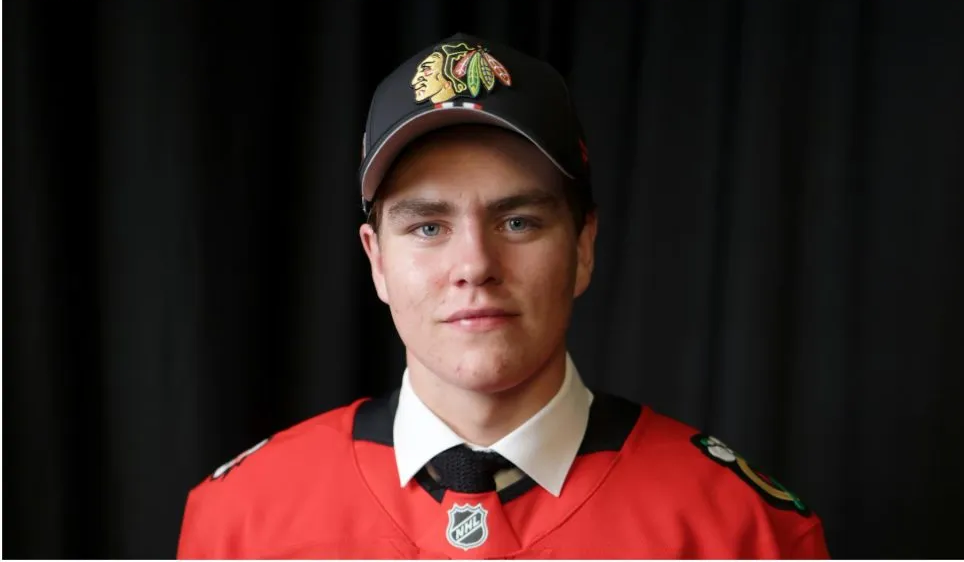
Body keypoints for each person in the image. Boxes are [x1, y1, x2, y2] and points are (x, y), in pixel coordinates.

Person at [176, 33, 831, 559]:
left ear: (582, 248)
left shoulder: (742, 533)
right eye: (428, 226)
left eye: (518, 222)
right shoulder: (242, 522)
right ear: (377, 260)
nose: (475, 265)